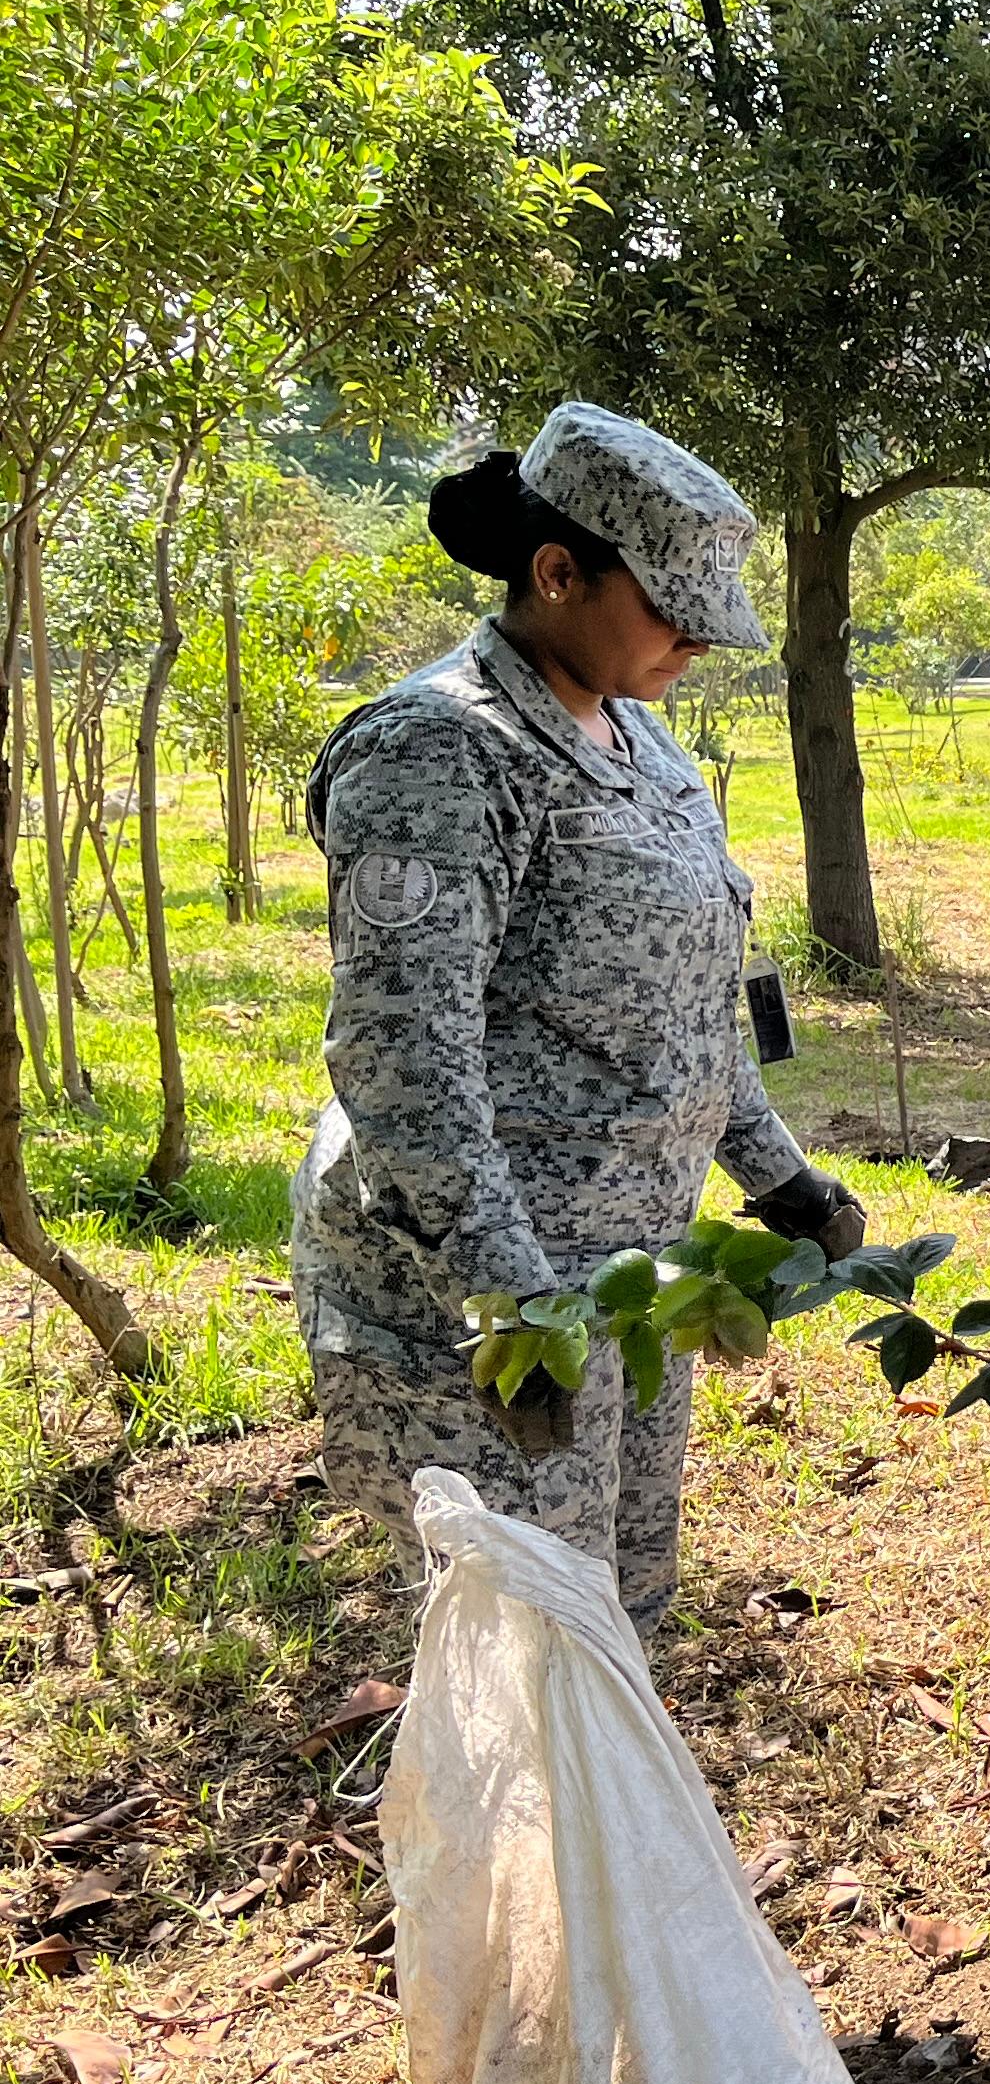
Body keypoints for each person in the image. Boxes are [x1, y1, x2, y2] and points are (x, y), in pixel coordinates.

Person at [292, 407, 862, 1637]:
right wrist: (510, 1305)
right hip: (484, 1313)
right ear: (557, 574)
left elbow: (687, 1006)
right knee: (516, 1643)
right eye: (674, 610)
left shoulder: (643, 739)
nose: (702, 642)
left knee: (616, 1613)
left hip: (626, 1289)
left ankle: (605, 1839)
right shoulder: (442, 753)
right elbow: (403, 1062)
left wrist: (781, 1179)